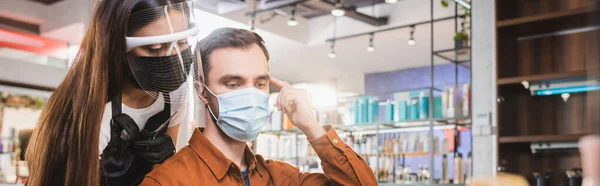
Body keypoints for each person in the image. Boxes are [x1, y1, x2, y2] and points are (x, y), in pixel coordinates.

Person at [139, 27, 378, 185]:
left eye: (260, 83)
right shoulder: (168, 181)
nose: (250, 95)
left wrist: (313, 128)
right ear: (202, 91)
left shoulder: (281, 177)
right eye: (233, 84)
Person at [24, 0, 198, 186]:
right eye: (154, 48)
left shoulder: (175, 94)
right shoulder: (90, 116)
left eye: (182, 42)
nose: (172, 58)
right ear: (117, 48)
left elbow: (166, 175)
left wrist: (164, 162)